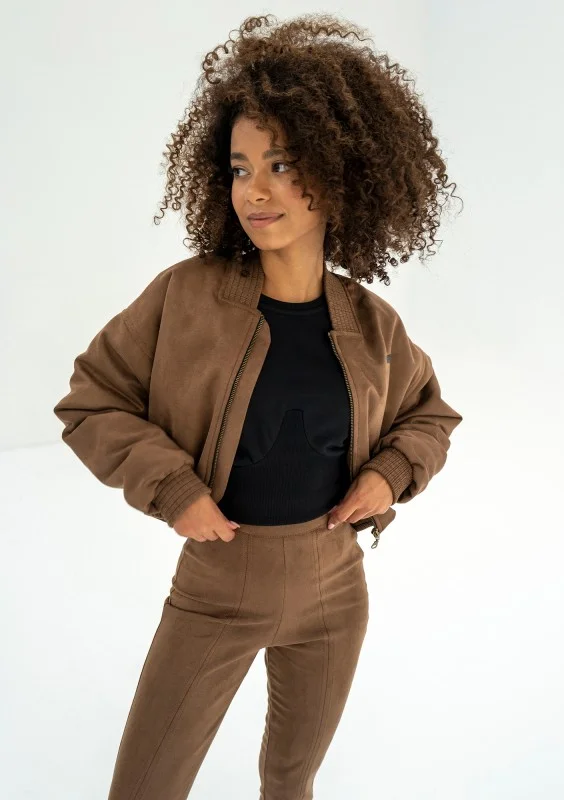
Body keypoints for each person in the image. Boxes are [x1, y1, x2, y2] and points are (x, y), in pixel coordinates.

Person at [53, 13, 463, 800]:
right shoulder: (187, 297)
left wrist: (390, 475)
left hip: (335, 588)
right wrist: (172, 487)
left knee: (290, 782)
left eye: (281, 164)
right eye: (241, 168)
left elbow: (430, 416)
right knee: (145, 786)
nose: (257, 190)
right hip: (218, 585)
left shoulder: (371, 321)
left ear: (338, 173)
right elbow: (91, 399)